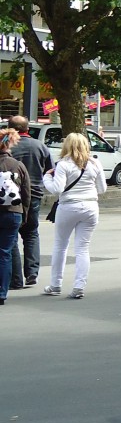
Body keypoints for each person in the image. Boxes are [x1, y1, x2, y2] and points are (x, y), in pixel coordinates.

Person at [41, 131, 105, 299]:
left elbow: (57, 189)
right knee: (83, 248)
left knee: (60, 246)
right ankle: (79, 286)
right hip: (91, 206)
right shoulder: (95, 163)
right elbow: (102, 189)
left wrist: (46, 178)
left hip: (69, 206)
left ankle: (55, 284)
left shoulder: (63, 164)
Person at [7, 115, 49, 291]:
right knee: (31, 233)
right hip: (35, 194)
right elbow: (49, 170)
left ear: (10, 128)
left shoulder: (8, 145)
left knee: (11, 236)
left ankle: (15, 277)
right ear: (28, 129)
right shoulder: (40, 146)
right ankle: (32, 273)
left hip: (11, 196)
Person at [0, 128, 31, 306]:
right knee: (5, 252)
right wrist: (24, 215)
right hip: (13, 212)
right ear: (10, 144)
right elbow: (26, 194)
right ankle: (2, 291)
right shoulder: (18, 165)